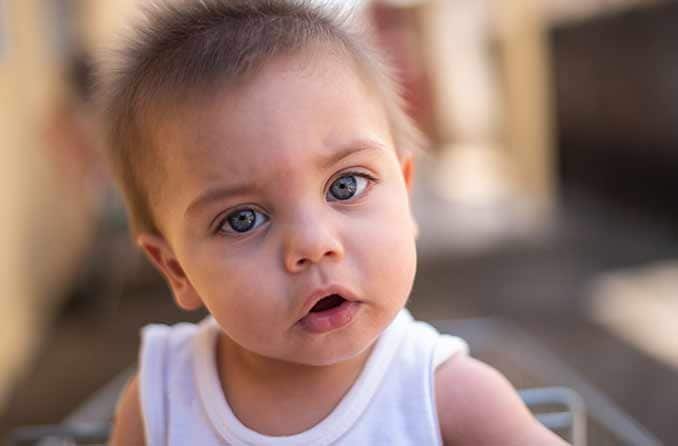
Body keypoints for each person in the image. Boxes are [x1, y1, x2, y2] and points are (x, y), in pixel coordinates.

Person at [99, 1, 568, 444]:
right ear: (176, 269)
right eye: (242, 219)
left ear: (404, 195)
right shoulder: (160, 405)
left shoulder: (448, 397)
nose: (313, 244)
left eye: (345, 186)